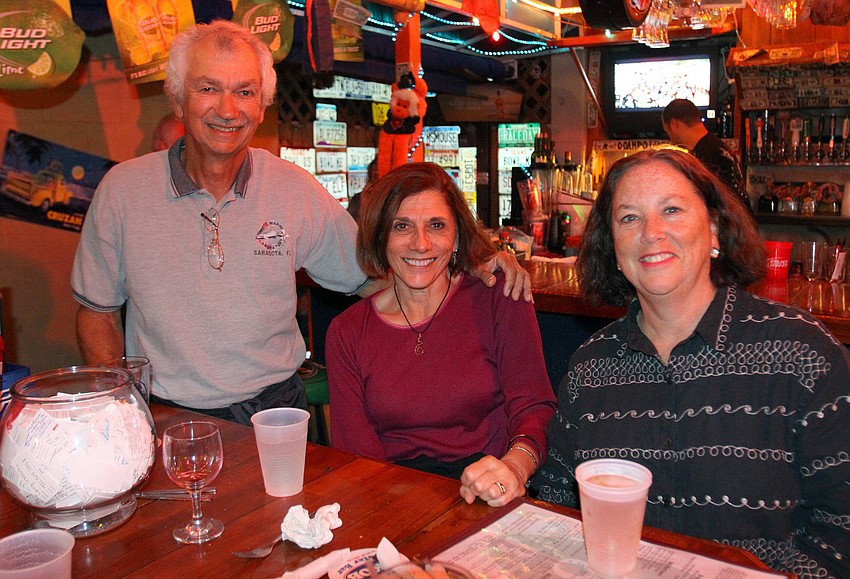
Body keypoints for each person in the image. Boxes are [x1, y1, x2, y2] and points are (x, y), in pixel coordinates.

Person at [72, 21, 530, 426]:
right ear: (176, 97)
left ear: (263, 103)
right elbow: (97, 312)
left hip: (277, 414)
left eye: (246, 92)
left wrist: (473, 264)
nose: (228, 110)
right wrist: (123, 413)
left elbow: (378, 274)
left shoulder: (292, 189)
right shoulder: (123, 191)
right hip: (164, 413)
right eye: (208, 88)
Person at [531, 148, 850, 577]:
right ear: (612, 246)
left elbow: (840, 530)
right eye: (629, 218)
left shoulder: (801, 354)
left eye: (672, 210)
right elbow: (555, 500)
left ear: (715, 229)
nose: (651, 232)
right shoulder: (591, 370)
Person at [326, 162, 556, 507]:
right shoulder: (347, 332)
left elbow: (534, 405)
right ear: (379, 237)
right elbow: (357, 456)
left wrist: (515, 467)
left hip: (489, 489)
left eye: (436, 225)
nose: (420, 244)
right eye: (401, 226)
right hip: (392, 498)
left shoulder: (497, 296)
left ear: (457, 237)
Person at [661, 99, 751, 211]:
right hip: (741, 222)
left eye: (667, 132)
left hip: (727, 224)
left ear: (674, 124)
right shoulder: (716, 147)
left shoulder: (703, 157)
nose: (671, 139)